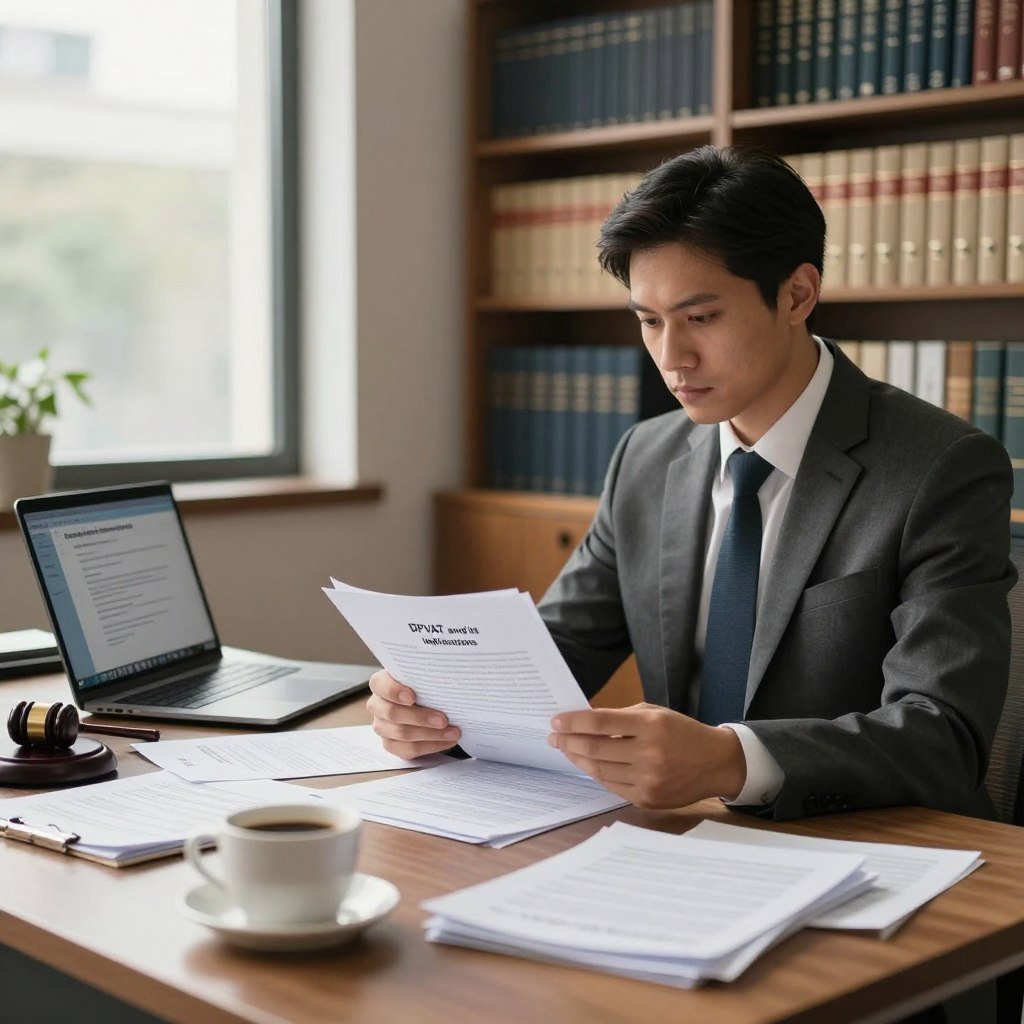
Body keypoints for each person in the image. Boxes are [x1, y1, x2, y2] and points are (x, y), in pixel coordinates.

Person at [367, 145, 1015, 822]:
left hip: (876, 845)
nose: (671, 359)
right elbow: (550, 658)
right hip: (685, 842)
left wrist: (730, 760)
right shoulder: (646, 456)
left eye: (701, 318)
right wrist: (433, 707)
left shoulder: (941, 466)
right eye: (649, 321)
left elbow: (944, 736)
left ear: (797, 294)